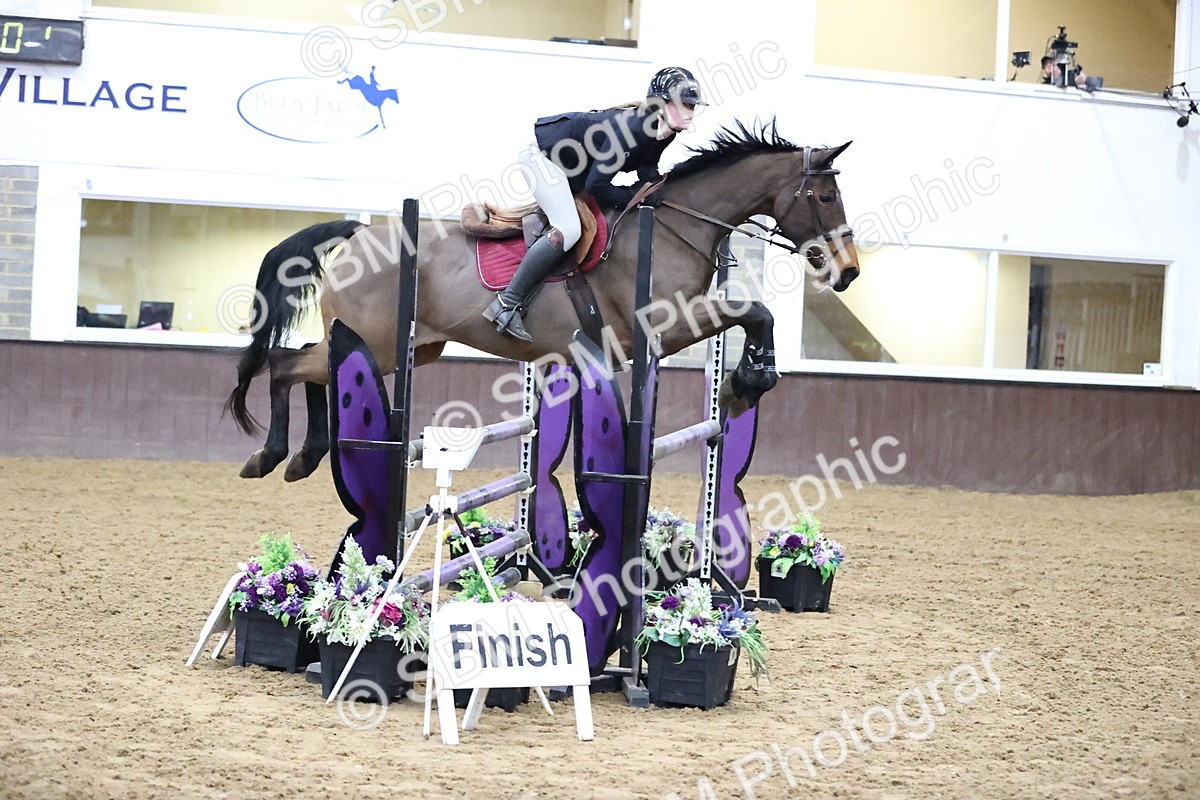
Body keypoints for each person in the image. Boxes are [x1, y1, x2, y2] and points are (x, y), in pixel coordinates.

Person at [483, 66, 707, 342]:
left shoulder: (666, 131)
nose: (691, 111)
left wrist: (662, 189)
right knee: (569, 229)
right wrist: (634, 197)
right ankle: (506, 304)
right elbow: (597, 186)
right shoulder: (632, 130)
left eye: (693, 105)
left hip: (573, 168)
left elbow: (647, 166)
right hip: (542, 157)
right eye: (685, 104)